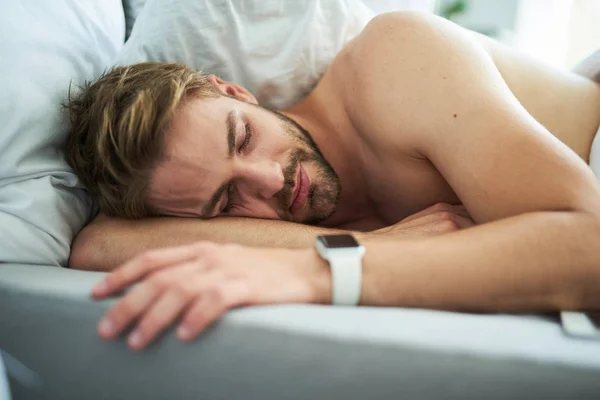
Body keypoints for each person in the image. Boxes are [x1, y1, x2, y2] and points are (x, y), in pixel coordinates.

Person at [65, 12, 600, 351]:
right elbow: (97, 245)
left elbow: (588, 250)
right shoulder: (263, 214)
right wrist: (375, 245)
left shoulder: (395, 59)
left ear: (234, 91)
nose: (270, 180)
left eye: (243, 137)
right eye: (227, 199)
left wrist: (322, 271)